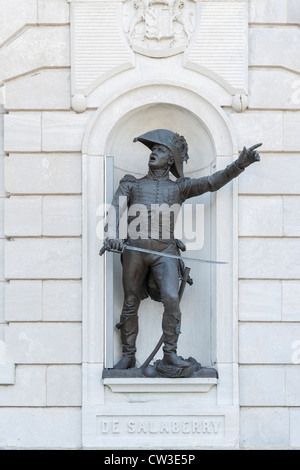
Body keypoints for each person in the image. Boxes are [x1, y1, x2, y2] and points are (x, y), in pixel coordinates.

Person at [101, 129, 261, 370]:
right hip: (134, 249)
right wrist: (112, 236)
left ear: (171, 160)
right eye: (153, 149)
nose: (154, 152)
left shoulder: (181, 187)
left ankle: (170, 354)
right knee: (130, 301)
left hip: (165, 252)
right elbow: (114, 211)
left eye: (161, 149)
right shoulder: (131, 184)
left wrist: (239, 165)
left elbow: (211, 182)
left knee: (172, 299)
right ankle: (128, 355)